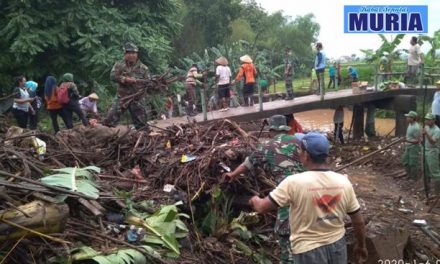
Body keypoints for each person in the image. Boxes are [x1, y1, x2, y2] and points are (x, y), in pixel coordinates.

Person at [248, 132, 367, 264]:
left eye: (300, 150)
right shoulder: (343, 182)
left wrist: (254, 199)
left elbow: (262, 207)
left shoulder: (293, 182)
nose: (298, 153)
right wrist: (361, 245)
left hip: (308, 251)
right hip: (338, 247)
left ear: (306, 155)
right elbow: (358, 221)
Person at [224, 115, 305, 263]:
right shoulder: (298, 141)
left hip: (287, 193)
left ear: (272, 130)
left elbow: (247, 164)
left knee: (284, 232)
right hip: (308, 190)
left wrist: (232, 174)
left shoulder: (267, 147)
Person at [103, 43, 150, 129]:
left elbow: (148, 83)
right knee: (109, 120)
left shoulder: (143, 68)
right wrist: (124, 79)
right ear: (125, 54)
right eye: (128, 53)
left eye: (133, 53)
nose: (131, 55)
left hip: (137, 99)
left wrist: (140, 83)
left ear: (137, 54)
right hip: (122, 97)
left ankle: (144, 140)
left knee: (142, 125)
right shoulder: (119, 65)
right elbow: (113, 76)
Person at [422, 113, 440, 195]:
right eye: (426, 119)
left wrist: (426, 133)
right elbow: (423, 138)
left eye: (429, 120)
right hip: (425, 150)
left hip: (433, 151)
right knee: (425, 171)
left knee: (435, 172)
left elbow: (433, 142)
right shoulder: (426, 127)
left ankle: (438, 193)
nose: (427, 121)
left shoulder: (437, 130)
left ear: (433, 120)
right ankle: (426, 188)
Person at [401, 111, 421, 180]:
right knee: (405, 161)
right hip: (408, 146)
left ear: (412, 118)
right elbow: (410, 136)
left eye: (408, 117)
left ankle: (413, 178)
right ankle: (408, 175)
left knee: (413, 163)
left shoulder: (416, 128)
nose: (407, 118)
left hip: (414, 148)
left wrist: (407, 140)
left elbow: (418, 140)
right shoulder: (410, 124)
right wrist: (406, 139)